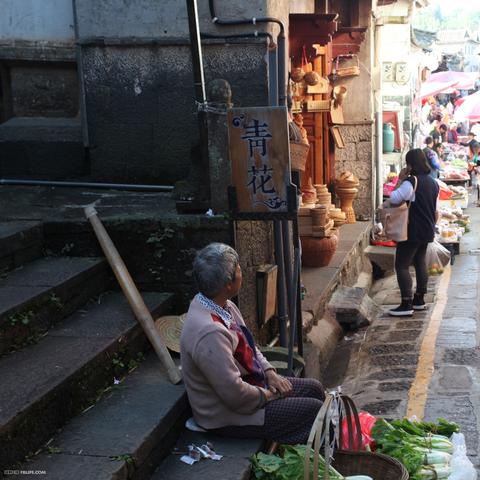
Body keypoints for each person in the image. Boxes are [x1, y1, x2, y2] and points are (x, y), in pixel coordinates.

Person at [180, 243, 326, 444]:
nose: (242, 271)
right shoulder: (210, 332)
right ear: (228, 285)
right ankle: (318, 460)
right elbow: (235, 394)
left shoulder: (223, 305)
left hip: (251, 385)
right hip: (226, 415)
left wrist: (269, 373)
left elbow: (250, 346)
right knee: (313, 411)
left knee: (314, 389)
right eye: (238, 269)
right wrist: (268, 395)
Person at [388, 149, 439, 316]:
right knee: (419, 263)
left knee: (401, 265)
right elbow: (436, 211)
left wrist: (400, 179)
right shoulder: (433, 182)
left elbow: (394, 198)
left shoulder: (411, 181)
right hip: (427, 229)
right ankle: (419, 299)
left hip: (412, 230)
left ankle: (406, 303)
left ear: (410, 164)